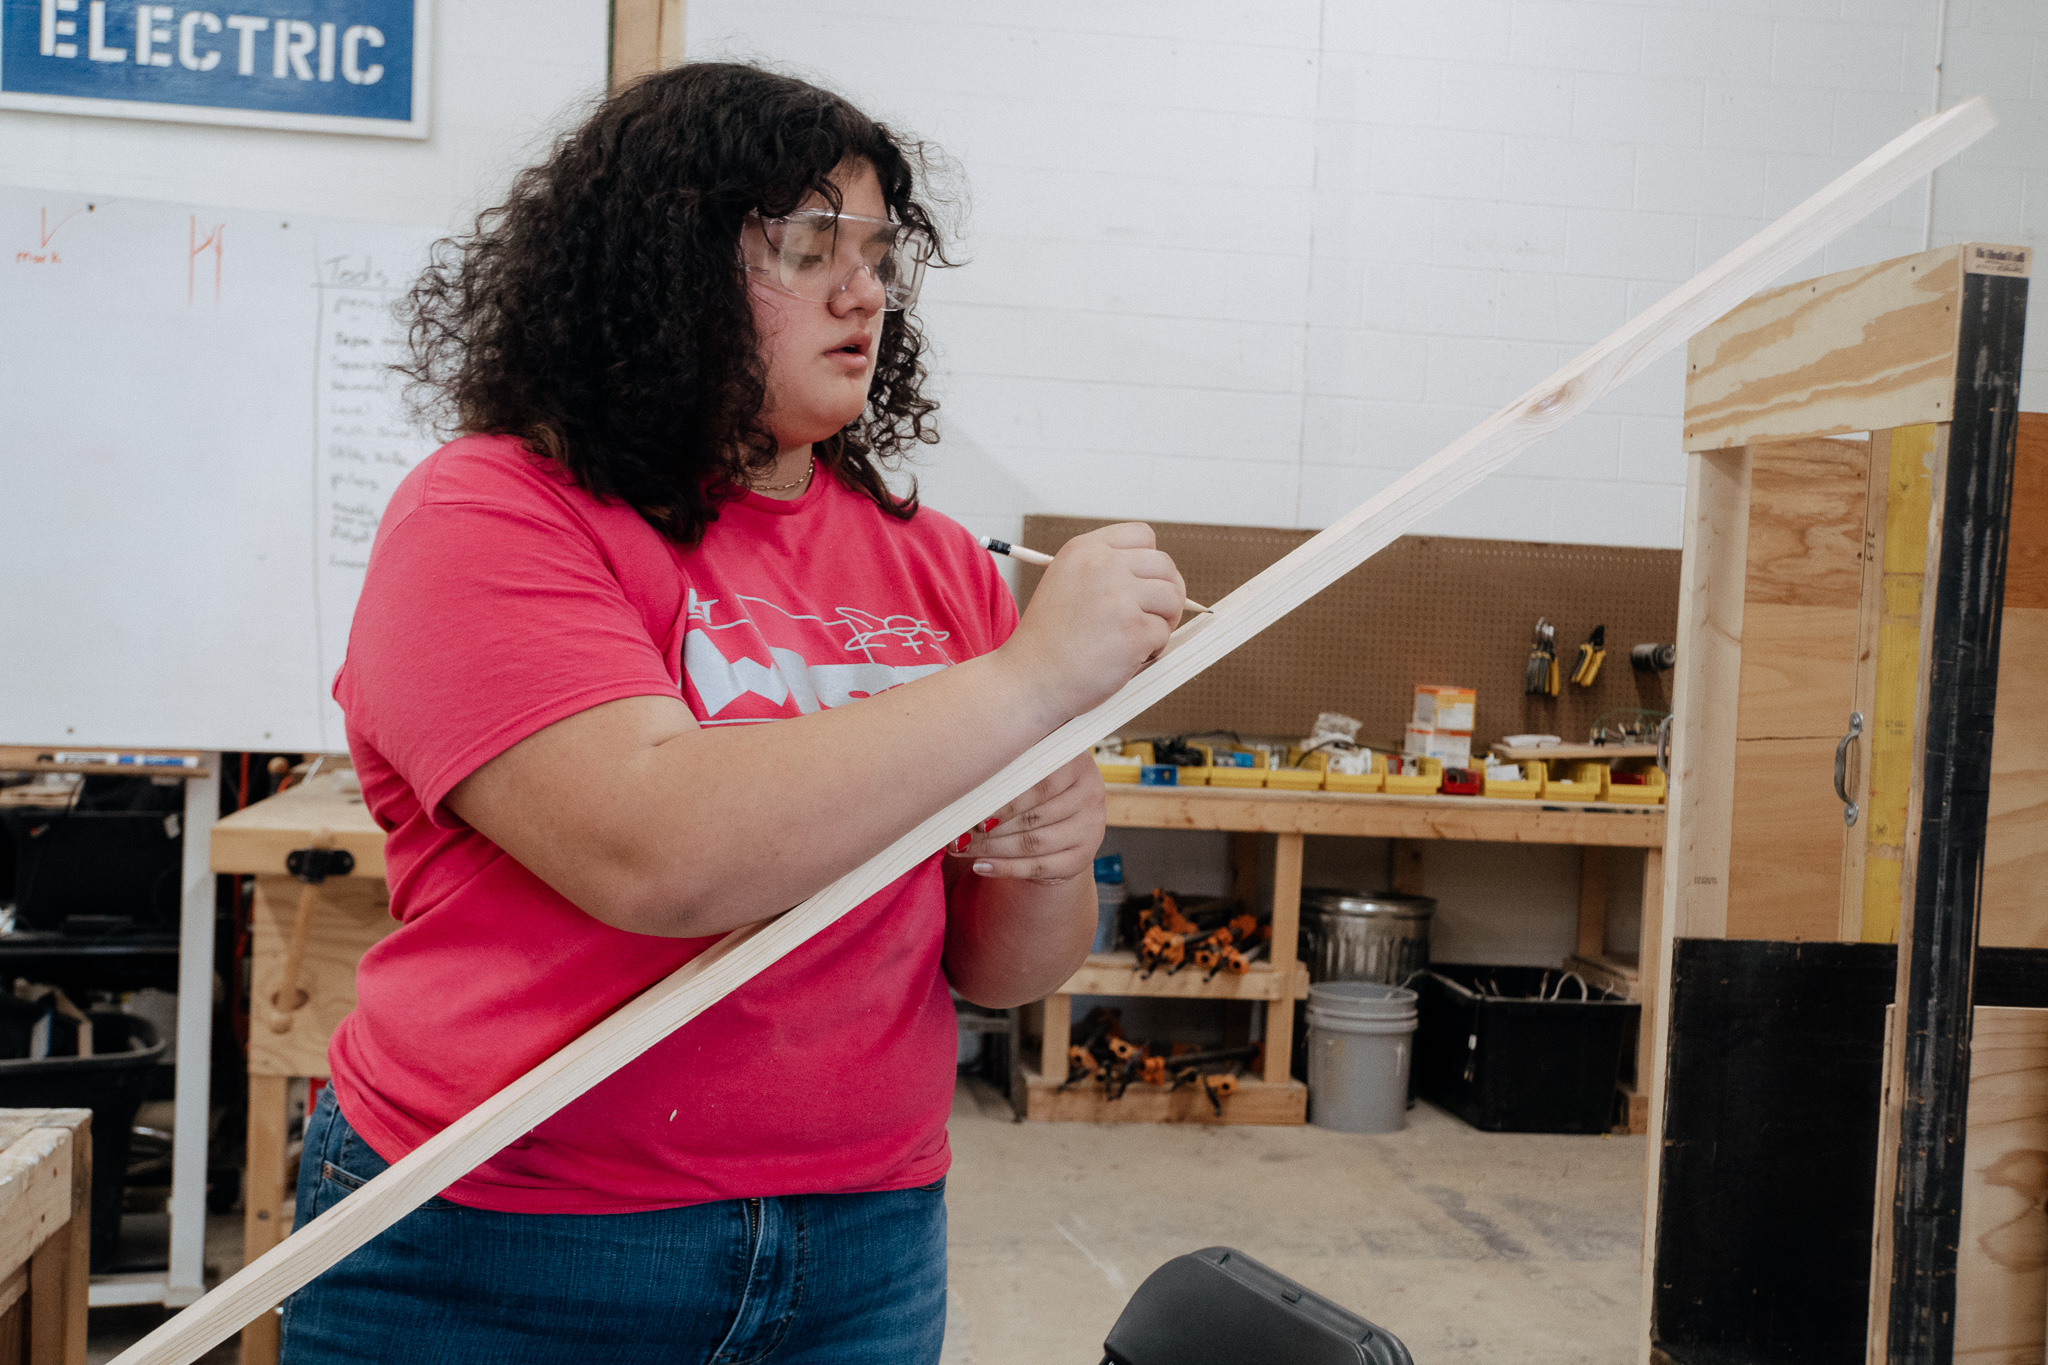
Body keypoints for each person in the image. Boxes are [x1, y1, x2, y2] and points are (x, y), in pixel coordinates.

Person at [280, 62, 1187, 1364]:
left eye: (876, 252)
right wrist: (1027, 686)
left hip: (862, 1244)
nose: (862, 289)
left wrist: (1045, 853)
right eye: (807, 247)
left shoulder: (930, 561)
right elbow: (658, 848)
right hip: (510, 1239)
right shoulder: (491, 513)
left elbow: (996, 966)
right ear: (660, 270)